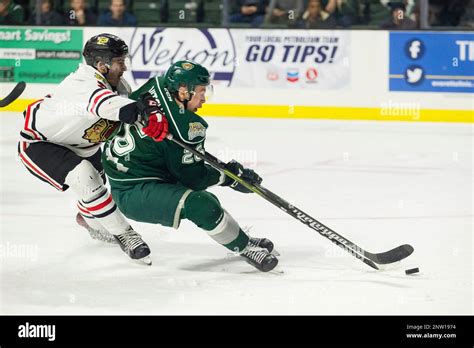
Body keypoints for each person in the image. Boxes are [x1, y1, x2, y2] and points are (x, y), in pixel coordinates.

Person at [101, 61, 279, 272]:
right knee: (201, 203)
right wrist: (228, 177)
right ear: (184, 91)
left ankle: (238, 238)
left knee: (206, 201)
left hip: (130, 171)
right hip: (134, 191)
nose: (204, 98)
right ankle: (244, 247)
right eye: (202, 91)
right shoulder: (187, 127)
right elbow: (193, 179)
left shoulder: (155, 85)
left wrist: (227, 173)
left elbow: (148, 107)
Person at [18, 34, 169, 265]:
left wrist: (149, 108)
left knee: (94, 202)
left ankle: (87, 219)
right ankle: (127, 235)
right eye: (120, 61)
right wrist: (139, 110)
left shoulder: (118, 85)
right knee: (85, 178)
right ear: (101, 65)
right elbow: (109, 105)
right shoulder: (82, 84)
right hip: (41, 144)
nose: (124, 67)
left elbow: (132, 107)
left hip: (85, 146)